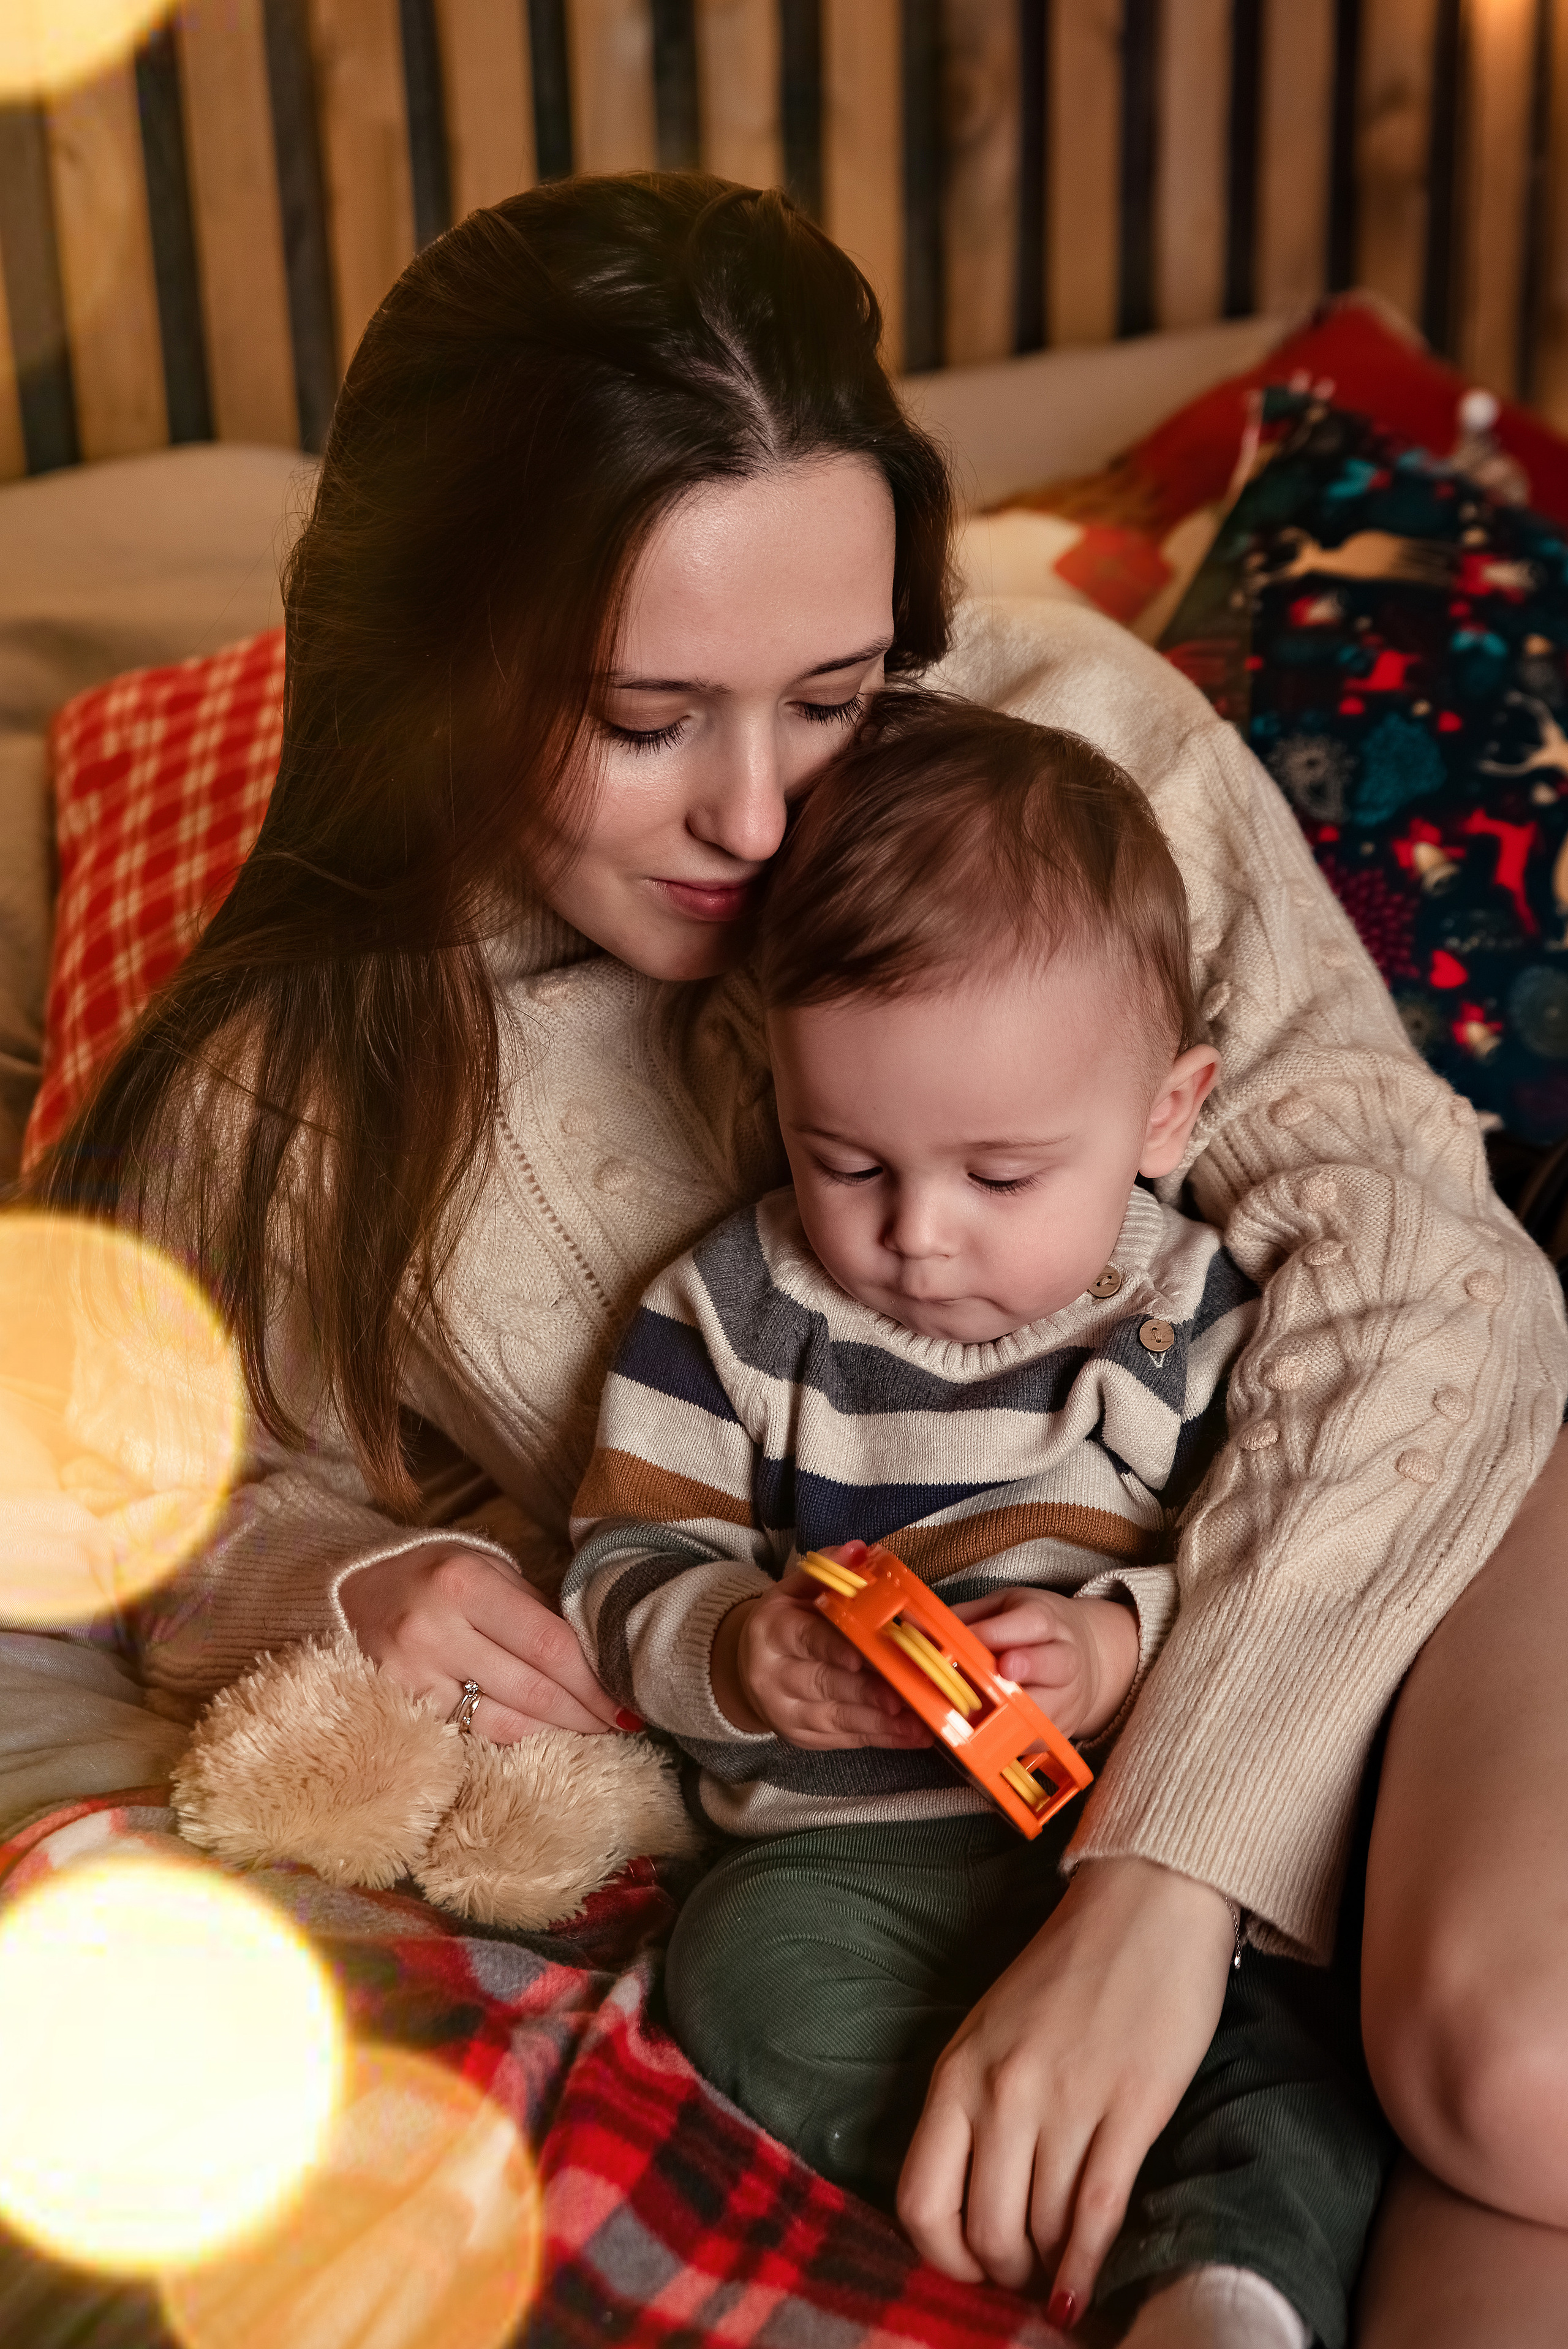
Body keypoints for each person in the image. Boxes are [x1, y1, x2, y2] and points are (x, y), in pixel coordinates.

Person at [21, 175, 1568, 2339]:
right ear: (445, 649)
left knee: (1512, 2076)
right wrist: (349, 1580)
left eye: (833, 694)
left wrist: (1166, 1877)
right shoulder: (297, 1088)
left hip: (1391, 1487)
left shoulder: (1057, 730)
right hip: (920, 1792)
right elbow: (155, 1491)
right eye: (646, 718)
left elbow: (1416, 1258)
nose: (759, 818)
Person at [562, 691, 1393, 2347]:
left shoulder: (1188, 1313)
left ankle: (1222, 2283)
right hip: (847, 1862)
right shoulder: (735, 1312)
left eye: (1001, 1177)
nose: (919, 1234)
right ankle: (1029, 2197)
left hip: (1140, 1847)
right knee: (738, 1972)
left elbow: (1275, 1578)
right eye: (845, 1160)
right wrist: (743, 1648)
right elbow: (618, 1570)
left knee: (1314, 2056)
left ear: (1166, 1114)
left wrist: (1116, 1644)